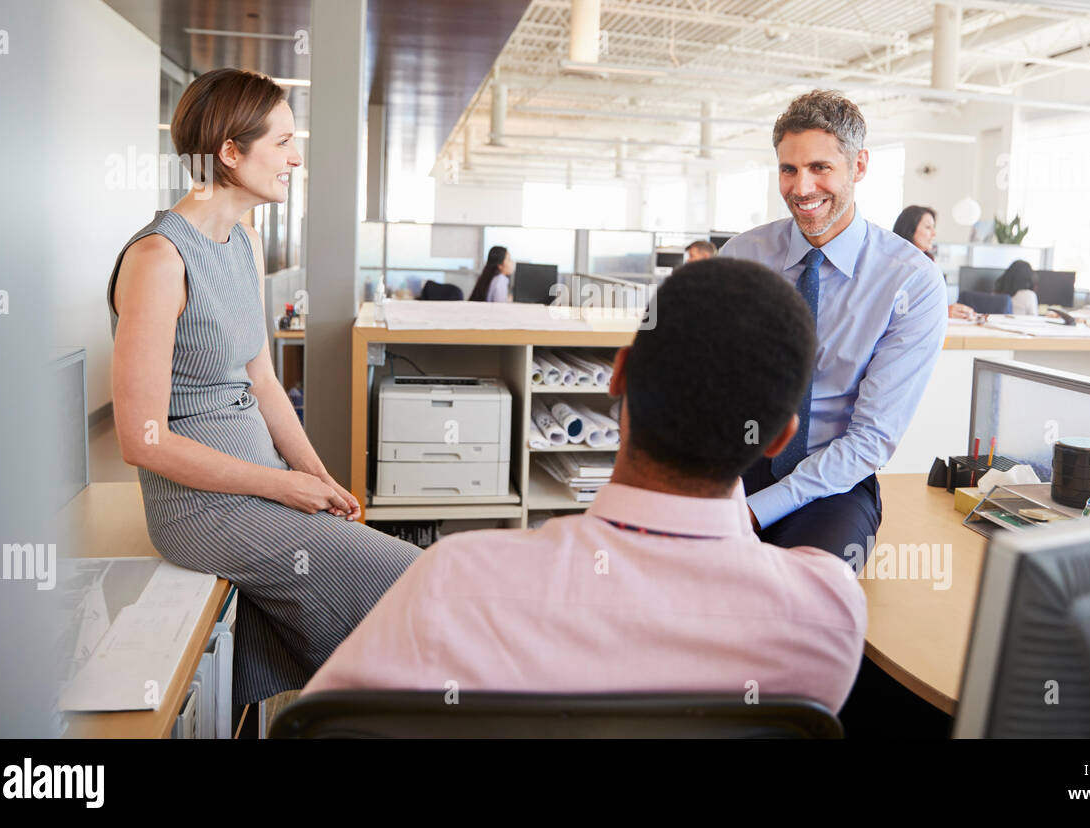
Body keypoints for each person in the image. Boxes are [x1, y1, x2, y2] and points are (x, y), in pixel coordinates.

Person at [305, 258, 867, 711]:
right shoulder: (828, 610)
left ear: (618, 376)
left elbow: (326, 725)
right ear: (779, 438)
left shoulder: (460, 578)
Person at [106, 68, 420, 706]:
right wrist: (287, 486)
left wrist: (318, 477)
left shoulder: (244, 242)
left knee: (281, 635)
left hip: (265, 480)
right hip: (201, 509)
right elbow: (141, 442)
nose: (296, 157)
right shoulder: (158, 261)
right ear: (229, 152)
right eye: (281, 142)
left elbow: (264, 382)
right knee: (413, 580)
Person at [720, 90, 947, 562]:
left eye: (820, 168)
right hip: (735, 461)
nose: (801, 188)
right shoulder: (740, 257)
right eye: (788, 169)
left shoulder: (911, 282)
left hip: (834, 480)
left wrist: (754, 512)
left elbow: (870, 439)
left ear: (859, 165)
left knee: (808, 595)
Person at [893, 203, 976, 320]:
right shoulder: (896, 265)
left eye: (933, 227)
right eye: (928, 227)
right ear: (910, 229)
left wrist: (944, 310)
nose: (934, 234)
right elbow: (900, 310)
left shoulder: (929, 262)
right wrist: (943, 311)